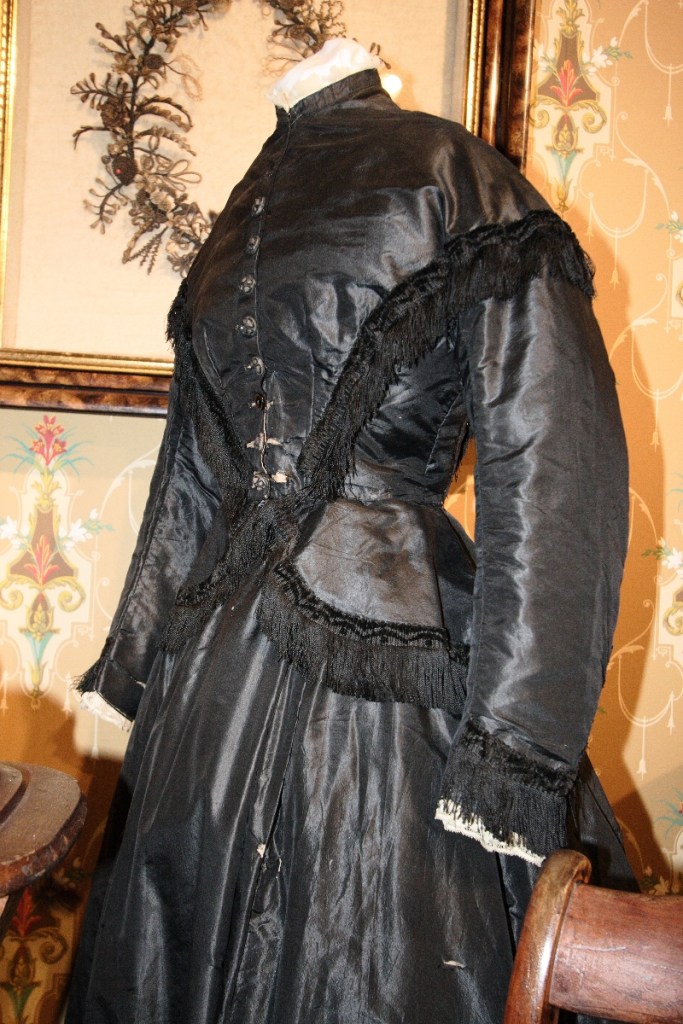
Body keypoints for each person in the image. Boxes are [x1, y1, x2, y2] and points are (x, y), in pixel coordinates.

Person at [67, 38, 632, 1024]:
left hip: (214, 682)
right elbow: (551, 461)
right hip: (388, 648)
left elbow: (187, 492)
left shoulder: (238, 225)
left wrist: (143, 655)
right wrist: (514, 746)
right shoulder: (453, 177)